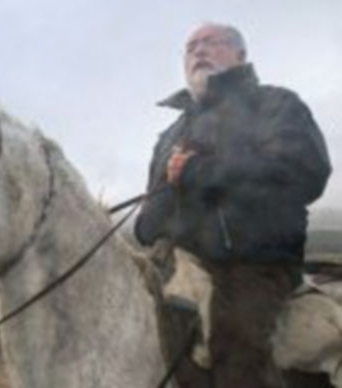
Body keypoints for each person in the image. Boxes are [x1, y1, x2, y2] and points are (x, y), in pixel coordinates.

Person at [135, 22, 332, 387]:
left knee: (236, 345)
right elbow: (158, 194)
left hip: (252, 264)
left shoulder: (276, 105)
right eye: (191, 46)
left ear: (240, 55)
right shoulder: (173, 131)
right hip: (175, 257)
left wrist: (201, 171)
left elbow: (305, 172)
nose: (198, 51)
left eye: (211, 42)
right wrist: (146, 222)